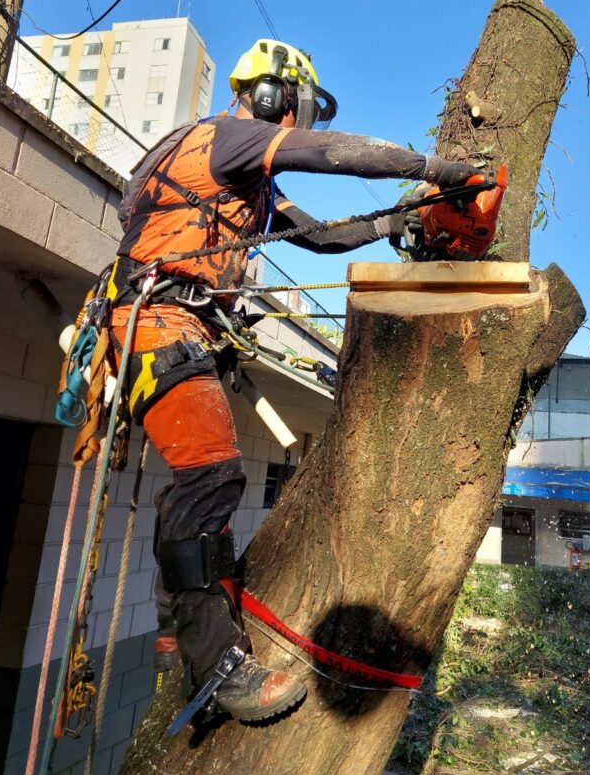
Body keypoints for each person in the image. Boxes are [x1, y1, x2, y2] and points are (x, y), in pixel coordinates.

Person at [108, 38, 482, 723]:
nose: (299, 124)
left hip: (179, 322)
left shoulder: (242, 180)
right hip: (154, 319)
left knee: (199, 485)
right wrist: (433, 169)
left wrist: (397, 219)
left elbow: (320, 237)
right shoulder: (226, 139)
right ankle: (219, 668)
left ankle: (173, 630)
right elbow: (330, 154)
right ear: (278, 96)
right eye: (299, 108)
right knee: (214, 478)